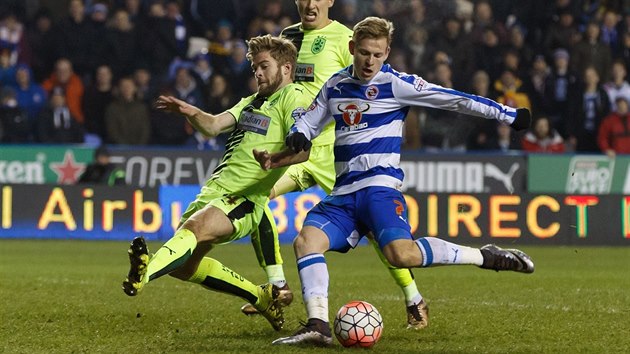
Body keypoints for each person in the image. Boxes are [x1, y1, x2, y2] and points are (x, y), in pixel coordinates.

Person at [254, 17, 534, 346]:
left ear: (387, 52)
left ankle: (485, 256)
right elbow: (309, 121)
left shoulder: (398, 85)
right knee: (306, 242)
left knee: (402, 256)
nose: (369, 61)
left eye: (377, 54)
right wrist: (298, 133)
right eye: (363, 53)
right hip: (343, 193)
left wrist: (508, 114)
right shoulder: (335, 86)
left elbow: (453, 98)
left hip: (379, 189)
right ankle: (318, 325)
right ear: (351, 49)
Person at [239, 0, 428, 331]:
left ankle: (414, 299)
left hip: (338, 154)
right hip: (298, 150)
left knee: (374, 230)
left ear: (330, 2)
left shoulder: (344, 38)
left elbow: (370, 83)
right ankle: (277, 287)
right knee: (255, 196)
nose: (310, 4)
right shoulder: (288, 37)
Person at [122, 34, 314, 332]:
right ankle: (260, 297)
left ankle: (144, 275)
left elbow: (303, 150)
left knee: (194, 230)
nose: (258, 74)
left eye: (264, 66)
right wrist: (190, 112)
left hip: (244, 197)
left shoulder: (294, 97)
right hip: (213, 191)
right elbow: (212, 126)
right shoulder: (251, 102)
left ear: (287, 68)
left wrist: (275, 159)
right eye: (255, 69)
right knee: (185, 268)